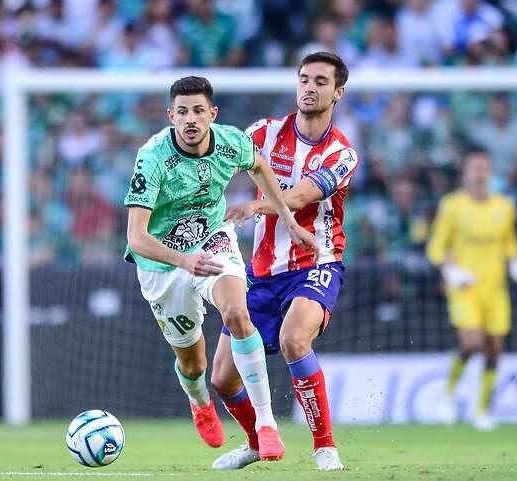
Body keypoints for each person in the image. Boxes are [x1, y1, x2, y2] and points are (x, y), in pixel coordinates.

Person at [124, 76, 318, 461]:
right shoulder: (153, 157)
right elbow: (136, 238)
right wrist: (183, 260)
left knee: (236, 312)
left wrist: (288, 219)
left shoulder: (231, 142)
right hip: (163, 262)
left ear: (212, 113)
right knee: (193, 362)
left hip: (212, 239)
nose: (191, 119)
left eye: (198, 111)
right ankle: (200, 403)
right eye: (182, 112)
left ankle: (266, 425)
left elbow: (259, 166)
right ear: (171, 116)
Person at [210, 51, 358, 471]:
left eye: (321, 81)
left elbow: (301, 196)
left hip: (316, 262)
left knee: (295, 338)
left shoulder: (342, 153)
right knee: (222, 377)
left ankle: (325, 447)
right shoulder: (263, 132)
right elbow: (218, 165)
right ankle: (257, 442)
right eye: (304, 79)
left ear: (338, 92)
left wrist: (254, 206)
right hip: (261, 272)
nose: (309, 88)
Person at [427, 147, 517, 431]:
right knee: (471, 341)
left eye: (484, 168)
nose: (479, 173)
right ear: (465, 174)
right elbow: (436, 246)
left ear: (491, 173)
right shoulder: (452, 205)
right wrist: (450, 270)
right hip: (464, 289)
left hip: (496, 290)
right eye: (474, 168)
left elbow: (510, 244)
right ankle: (447, 397)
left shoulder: (504, 207)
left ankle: (482, 410)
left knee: (494, 347)